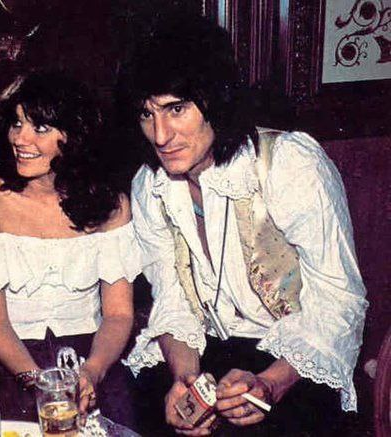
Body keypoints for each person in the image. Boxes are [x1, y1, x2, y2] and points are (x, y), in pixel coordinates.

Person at [117, 14, 368, 436]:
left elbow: (339, 301)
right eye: (146, 113)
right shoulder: (150, 185)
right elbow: (172, 298)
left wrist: (269, 384)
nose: (160, 135)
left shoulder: (288, 164)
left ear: (217, 101)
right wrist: (186, 382)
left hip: (293, 357)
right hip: (203, 350)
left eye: (176, 109)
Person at [0, 71, 140, 427]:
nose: (20, 138)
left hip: (94, 354)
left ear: (75, 135)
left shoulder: (112, 204)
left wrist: (93, 371)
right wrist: (41, 384)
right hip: (11, 359)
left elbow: (118, 314)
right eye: (16, 123)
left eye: (39, 128)